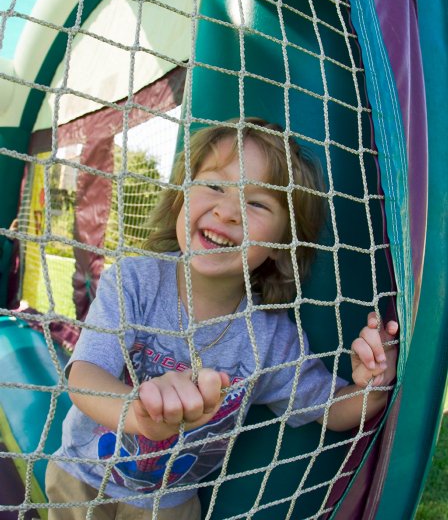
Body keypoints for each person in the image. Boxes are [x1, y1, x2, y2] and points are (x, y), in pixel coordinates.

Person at [46, 118, 399, 519]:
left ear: (283, 247)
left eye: (257, 203)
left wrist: (371, 385)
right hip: (81, 479)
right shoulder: (134, 280)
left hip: (170, 506)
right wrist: (137, 414)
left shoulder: (268, 337)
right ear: (181, 194)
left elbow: (332, 409)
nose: (229, 211)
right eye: (215, 185)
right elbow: (84, 376)